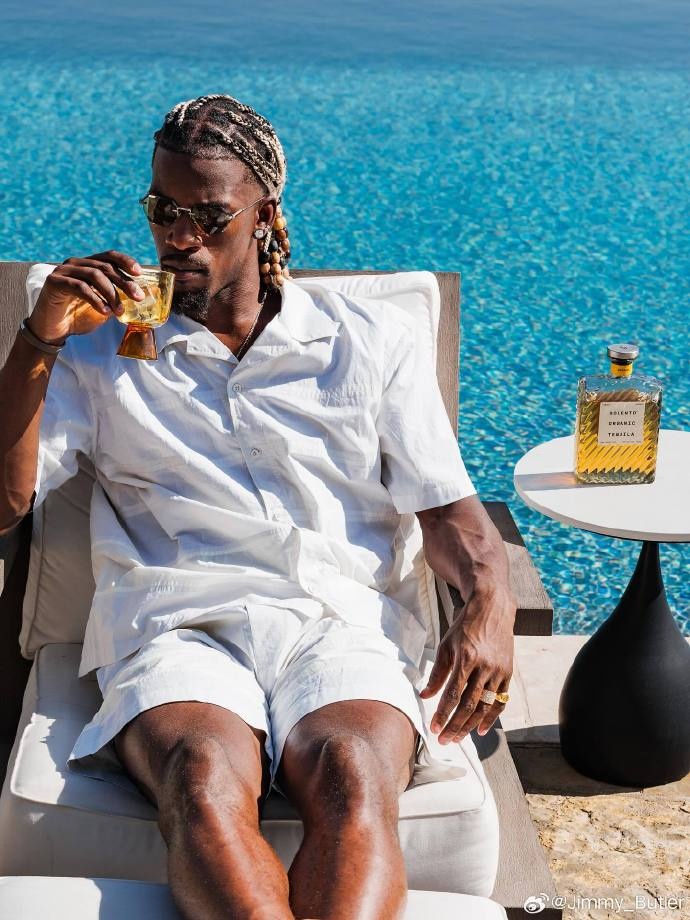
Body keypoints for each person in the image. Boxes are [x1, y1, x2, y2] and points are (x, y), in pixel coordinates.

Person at [0, 94, 516, 920]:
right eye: (162, 211)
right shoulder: (100, 349)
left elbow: (450, 514)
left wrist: (491, 599)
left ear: (265, 215)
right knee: (201, 780)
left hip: (341, 618)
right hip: (177, 624)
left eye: (208, 216)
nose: (178, 238)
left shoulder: (368, 341)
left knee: (352, 772)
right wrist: (40, 336)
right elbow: (4, 504)